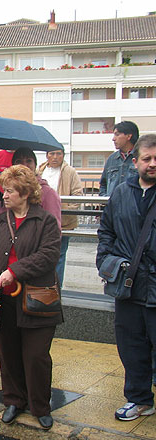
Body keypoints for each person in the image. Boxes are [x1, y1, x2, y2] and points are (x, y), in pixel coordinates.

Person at [0, 165, 62, 430]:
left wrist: (14, 271)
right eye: (4, 190)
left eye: (9, 191)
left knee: (36, 355)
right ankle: (13, 400)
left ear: (25, 193)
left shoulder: (45, 221)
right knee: (8, 351)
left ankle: (40, 406)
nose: (4, 195)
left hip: (37, 298)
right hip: (5, 298)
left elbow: (48, 256)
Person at [97, 133, 156, 422]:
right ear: (135, 162)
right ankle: (139, 398)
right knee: (131, 345)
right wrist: (105, 261)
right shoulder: (121, 192)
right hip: (128, 285)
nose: (153, 164)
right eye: (147, 159)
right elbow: (106, 230)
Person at [38, 148, 83, 287]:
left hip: (62, 222)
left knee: (59, 257)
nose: (55, 157)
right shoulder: (39, 171)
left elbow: (78, 196)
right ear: (47, 155)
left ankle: (56, 290)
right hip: (40, 222)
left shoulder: (70, 172)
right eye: (52, 154)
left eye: (59, 154)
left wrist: (62, 209)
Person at [99, 121, 139, 196]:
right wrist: (106, 199)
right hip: (113, 205)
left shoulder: (141, 157)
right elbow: (103, 184)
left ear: (129, 136)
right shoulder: (112, 159)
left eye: (117, 135)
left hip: (134, 205)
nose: (113, 139)